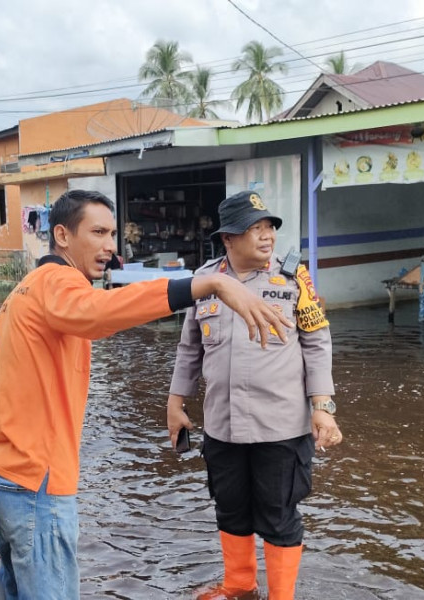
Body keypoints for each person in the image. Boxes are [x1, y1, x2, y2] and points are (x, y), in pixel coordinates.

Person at [0, 190, 292, 599]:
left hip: (7, 478)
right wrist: (206, 284)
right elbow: (100, 313)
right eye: (98, 232)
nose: (110, 246)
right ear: (63, 236)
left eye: (113, 233)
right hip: (39, 484)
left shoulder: (22, 292)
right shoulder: (58, 282)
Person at [166, 191, 343, 600]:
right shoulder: (205, 281)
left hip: (280, 427)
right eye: (255, 229)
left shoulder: (293, 278)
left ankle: (281, 597)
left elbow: (317, 343)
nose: (266, 237)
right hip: (222, 426)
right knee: (230, 509)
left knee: (279, 514)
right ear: (228, 238)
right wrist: (176, 403)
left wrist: (322, 407)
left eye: (269, 228)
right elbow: (189, 348)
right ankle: (239, 586)